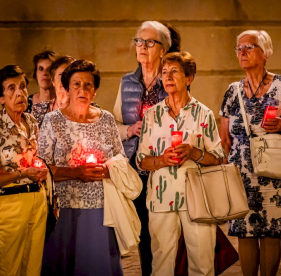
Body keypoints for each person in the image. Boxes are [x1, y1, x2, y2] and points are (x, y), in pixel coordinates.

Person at [219, 30, 281, 276]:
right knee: (244, 232)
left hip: (275, 173)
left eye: (250, 46)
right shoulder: (232, 91)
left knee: (271, 231)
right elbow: (224, 139)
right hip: (241, 174)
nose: (243, 52)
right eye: (239, 48)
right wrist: (224, 177)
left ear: (265, 52)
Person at [137, 51, 225, 276]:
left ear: (189, 78)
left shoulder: (203, 114)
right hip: (160, 199)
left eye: (174, 72)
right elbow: (141, 161)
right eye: (164, 72)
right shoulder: (152, 115)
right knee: (161, 263)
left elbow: (218, 158)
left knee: (202, 264)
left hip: (196, 198)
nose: (167, 77)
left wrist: (194, 153)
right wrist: (161, 160)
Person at [39, 60, 125, 275]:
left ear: (95, 91)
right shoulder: (52, 121)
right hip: (62, 208)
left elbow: (120, 158)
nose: (82, 90)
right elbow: (41, 169)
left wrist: (108, 170)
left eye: (88, 85)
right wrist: (76, 173)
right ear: (66, 88)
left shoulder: (106, 120)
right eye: (76, 84)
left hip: (100, 208)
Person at [112, 20, 172, 276]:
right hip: (134, 163)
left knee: (164, 228)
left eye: (149, 42)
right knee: (143, 228)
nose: (142, 46)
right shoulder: (127, 82)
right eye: (139, 41)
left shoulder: (171, 80)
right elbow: (113, 123)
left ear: (163, 50)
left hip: (163, 163)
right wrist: (130, 130)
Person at [0, 65, 49, 275]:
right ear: (0, 97)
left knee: (33, 269)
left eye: (23, 87)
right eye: (11, 89)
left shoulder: (32, 122)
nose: (20, 93)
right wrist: (20, 173)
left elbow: (36, 159)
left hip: (38, 200)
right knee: (9, 270)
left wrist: (40, 169)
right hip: (9, 204)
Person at [31, 55, 74, 127]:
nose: (65, 79)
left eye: (69, 75)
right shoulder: (38, 110)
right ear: (53, 80)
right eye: (60, 75)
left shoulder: (89, 108)